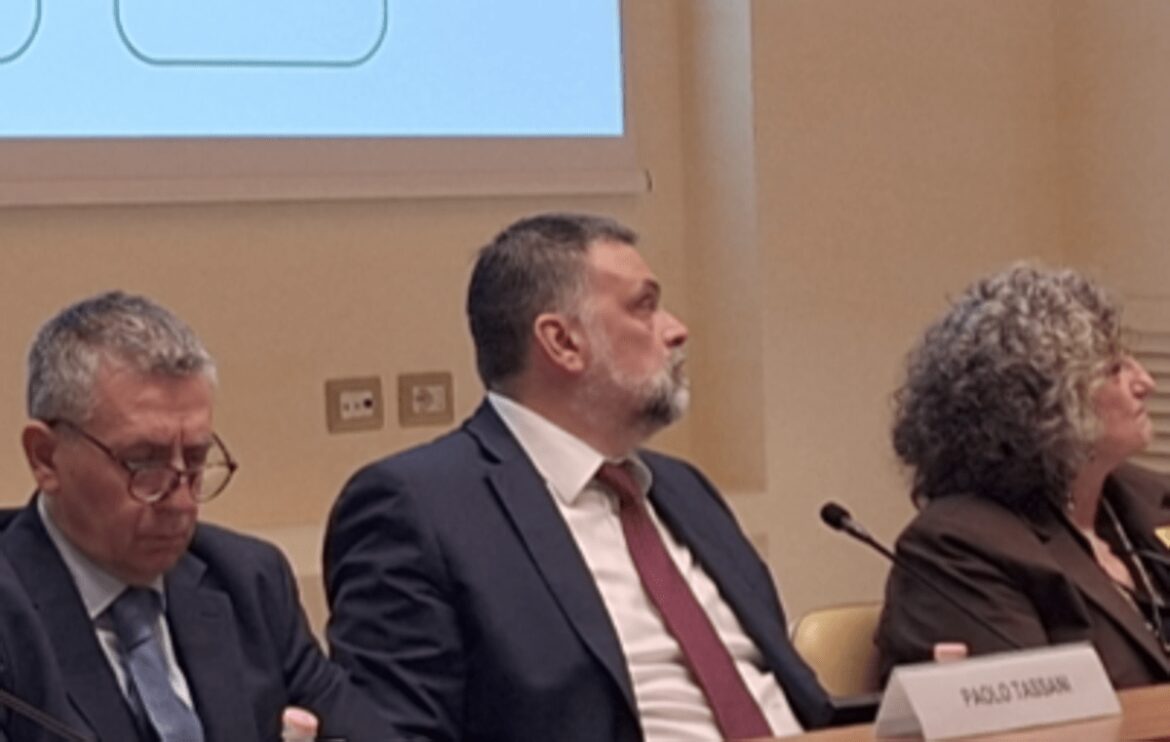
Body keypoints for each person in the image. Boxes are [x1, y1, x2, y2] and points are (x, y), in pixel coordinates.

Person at [324, 213, 832, 742]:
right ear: (562, 341)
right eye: (645, 306)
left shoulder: (683, 489)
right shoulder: (419, 507)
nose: (676, 329)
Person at [0, 291, 383, 741]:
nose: (181, 501)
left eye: (196, 460)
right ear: (45, 458)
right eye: (143, 463)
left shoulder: (248, 580)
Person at [877, 263, 1170, 688]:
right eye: (1112, 370)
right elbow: (1041, 712)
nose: (1145, 382)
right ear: (1043, 403)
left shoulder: (1153, 498)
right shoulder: (959, 548)